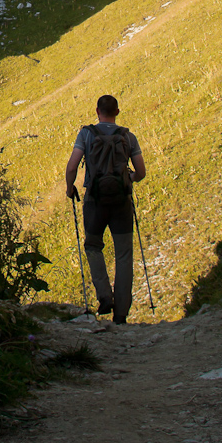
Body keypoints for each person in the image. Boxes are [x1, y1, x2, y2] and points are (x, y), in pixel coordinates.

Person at [65, 94, 145, 324]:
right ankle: (121, 313)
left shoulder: (87, 134)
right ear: (117, 112)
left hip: (95, 200)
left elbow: (72, 166)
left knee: (92, 246)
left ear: (97, 111)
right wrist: (129, 177)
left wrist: (70, 188)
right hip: (121, 201)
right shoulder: (128, 137)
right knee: (123, 254)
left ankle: (104, 296)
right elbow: (141, 172)